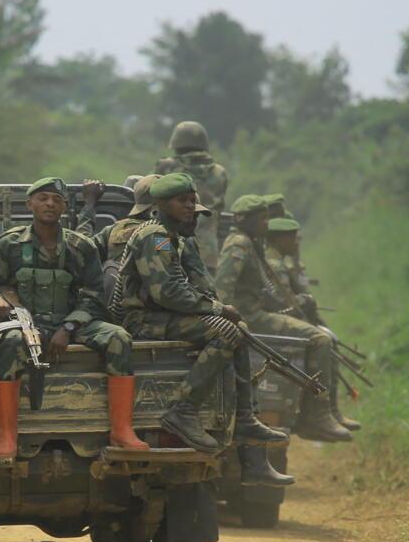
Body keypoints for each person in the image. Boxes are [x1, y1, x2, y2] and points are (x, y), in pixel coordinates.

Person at [115, 173, 291, 486]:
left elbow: (200, 286)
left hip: (163, 316)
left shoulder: (176, 237)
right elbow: (166, 292)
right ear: (162, 203)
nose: (190, 208)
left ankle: (246, 420)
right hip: (142, 320)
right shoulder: (154, 236)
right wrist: (217, 310)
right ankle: (183, 410)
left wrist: (220, 309)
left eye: (192, 201)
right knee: (224, 332)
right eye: (183, 201)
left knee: (236, 330)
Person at [0, 176, 149, 458]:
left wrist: (69, 327)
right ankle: (8, 435)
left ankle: (122, 430)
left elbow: (94, 294)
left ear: (63, 208)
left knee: (119, 338)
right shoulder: (9, 245)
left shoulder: (80, 246)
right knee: (10, 342)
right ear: (30, 204)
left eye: (57, 200)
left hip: (71, 321)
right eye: (43, 198)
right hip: (27, 324)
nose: (50, 203)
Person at [215, 195, 352, 442]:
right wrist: (230, 320)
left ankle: (321, 413)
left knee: (320, 336)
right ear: (246, 220)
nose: (267, 223)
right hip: (251, 318)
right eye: (262, 218)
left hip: (256, 314)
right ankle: (318, 417)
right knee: (320, 339)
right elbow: (223, 288)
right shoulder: (239, 244)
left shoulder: (250, 243)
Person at [264, 216, 361, 432]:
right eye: (292, 238)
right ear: (279, 239)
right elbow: (282, 303)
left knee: (327, 338)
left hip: (274, 318)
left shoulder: (276, 261)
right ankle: (318, 413)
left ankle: (328, 411)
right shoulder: (274, 264)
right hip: (268, 321)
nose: (297, 242)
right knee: (322, 340)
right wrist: (305, 302)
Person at [155, 121, 229, 273]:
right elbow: (219, 211)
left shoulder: (167, 167)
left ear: (176, 144)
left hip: (168, 244)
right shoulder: (219, 172)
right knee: (204, 291)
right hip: (207, 249)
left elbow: (153, 199)